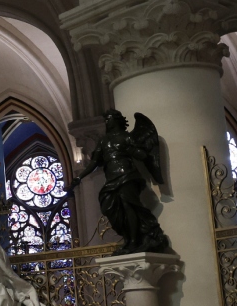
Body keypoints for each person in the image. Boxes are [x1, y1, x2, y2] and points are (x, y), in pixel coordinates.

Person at [69, 109, 169, 254]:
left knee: (129, 206)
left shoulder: (127, 137)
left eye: (109, 119)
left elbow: (142, 155)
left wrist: (131, 149)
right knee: (109, 207)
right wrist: (79, 177)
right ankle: (129, 238)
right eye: (106, 119)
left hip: (127, 175)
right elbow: (94, 162)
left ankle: (133, 241)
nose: (107, 122)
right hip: (112, 178)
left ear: (117, 120)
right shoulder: (104, 141)